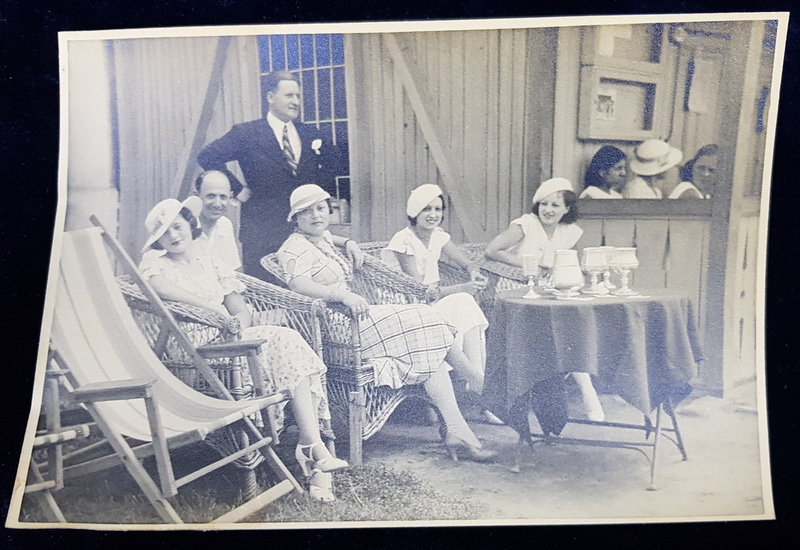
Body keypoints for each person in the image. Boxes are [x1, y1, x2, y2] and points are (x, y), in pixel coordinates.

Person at [138, 197, 347, 502]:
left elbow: (240, 308)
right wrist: (214, 311)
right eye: (165, 233)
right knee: (283, 343)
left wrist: (234, 322)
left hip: (230, 342)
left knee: (287, 343)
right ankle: (314, 455)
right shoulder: (156, 265)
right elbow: (163, 290)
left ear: (190, 224)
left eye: (178, 226)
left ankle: (312, 445)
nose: (174, 235)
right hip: (195, 353)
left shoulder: (211, 263)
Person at [277, 184, 498, 462]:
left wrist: (348, 242)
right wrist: (341, 295)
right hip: (337, 327)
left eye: (321, 208)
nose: (316, 215)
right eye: (306, 212)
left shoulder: (320, 239)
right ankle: (477, 382)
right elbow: (297, 283)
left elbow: (330, 237)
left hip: (356, 318)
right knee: (425, 316)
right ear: (294, 219)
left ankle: (458, 431)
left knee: (430, 352)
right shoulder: (294, 247)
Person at [381, 184, 503, 425]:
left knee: (466, 305)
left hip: (429, 306)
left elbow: (466, 263)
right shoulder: (403, 240)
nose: (433, 214)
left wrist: (473, 273)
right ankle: (480, 389)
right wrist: (461, 288)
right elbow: (417, 289)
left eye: (438, 209)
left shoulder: (438, 236)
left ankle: (477, 385)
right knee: (463, 300)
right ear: (414, 212)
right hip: (406, 310)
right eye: (426, 209)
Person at [197, 71, 338, 278]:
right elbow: (207, 156)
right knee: (267, 300)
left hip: (304, 232)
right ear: (270, 97)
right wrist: (238, 189)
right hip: (262, 232)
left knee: (307, 293)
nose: (296, 102)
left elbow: (330, 169)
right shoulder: (246, 133)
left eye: (298, 96)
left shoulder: (310, 133)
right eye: (289, 96)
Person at [485, 178, 604, 421]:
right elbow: (492, 250)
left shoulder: (569, 232)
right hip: (516, 289)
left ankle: (588, 393)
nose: (548, 210)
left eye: (555, 205)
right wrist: (531, 266)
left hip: (549, 292)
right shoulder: (526, 224)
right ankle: (499, 403)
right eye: (544, 204)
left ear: (567, 209)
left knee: (571, 332)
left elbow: (568, 264)